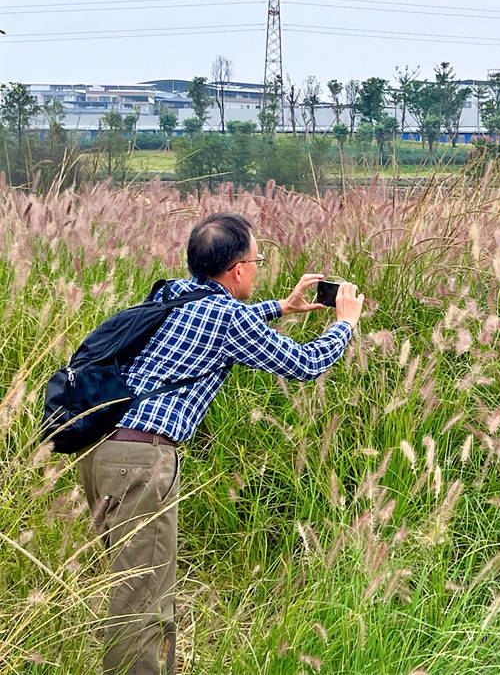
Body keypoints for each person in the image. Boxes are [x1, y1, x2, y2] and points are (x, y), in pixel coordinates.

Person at [78, 212, 364, 675]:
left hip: (102, 454)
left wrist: (281, 307)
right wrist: (345, 324)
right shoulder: (225, 316)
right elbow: (307, 364)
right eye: (257, 260)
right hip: (143, 462)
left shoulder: (173, 293)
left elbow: (212, 322)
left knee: (137, 588)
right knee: (141, 603)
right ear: (237, 269)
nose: (257, 268)